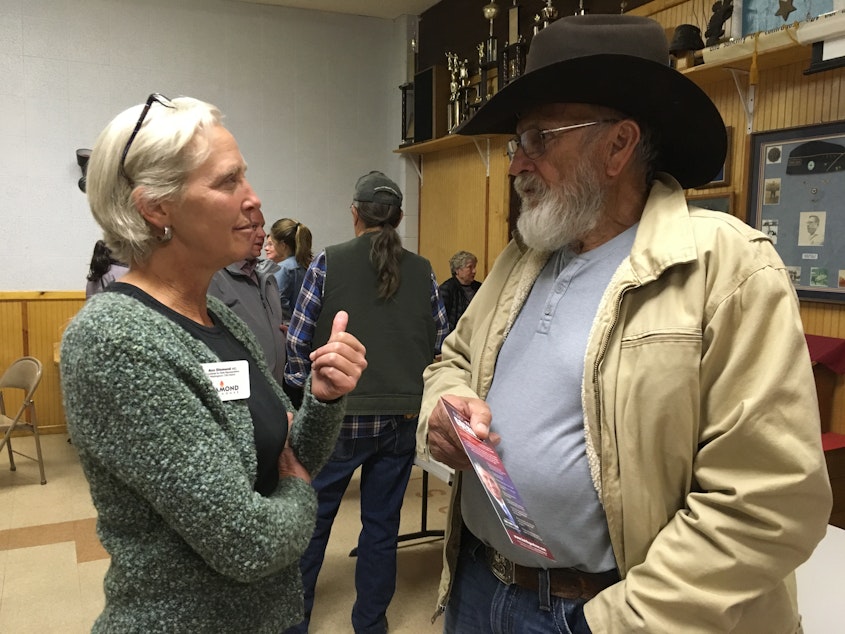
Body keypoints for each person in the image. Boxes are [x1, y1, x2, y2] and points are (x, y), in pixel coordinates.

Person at [419, 15, 832, 634]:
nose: (516, 165)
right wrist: (447, 405)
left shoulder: (727, 266)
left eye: (539, 138)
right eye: (517, 143)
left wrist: (610, 622)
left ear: (618, 147)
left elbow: (766, 502)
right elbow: (451, 360)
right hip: (482, 586)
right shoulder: (523, 258)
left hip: (609, 613)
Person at [59, 93, 367, 633]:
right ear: (157, 208)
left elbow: (288, 459)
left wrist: (322, 398)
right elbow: (247, 542)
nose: (254, 200)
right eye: (228, 182)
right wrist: (297, 492)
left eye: (245, 178)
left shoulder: (218, 317)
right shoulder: (116, 341)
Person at [284, 170, 449, 634]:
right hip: (400, 416)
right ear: (397, 218)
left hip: (338, 418)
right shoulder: (422, 269)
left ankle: (292, 624)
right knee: (381, 528)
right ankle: (370, 624)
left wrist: (310, 398)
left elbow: (298, 342)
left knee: (311, 525)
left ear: (354, 214)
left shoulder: (327, 262)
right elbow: (440, 335)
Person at [209, 208, 287, 386]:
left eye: (262, 226)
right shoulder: (214, 278)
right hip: (242, 396)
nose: (262, 234)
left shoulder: (268, 279)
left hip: (275, 391)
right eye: (253, 227)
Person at [266, 217, 313, 322]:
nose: (266, 248)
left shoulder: (284, 269)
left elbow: (276, 303)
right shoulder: (305, 265)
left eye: (272, 243)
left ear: (282, 245)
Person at [438, 250, 482, 331]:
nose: (474, 271)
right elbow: (441, 320)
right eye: (470, 267)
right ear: (457, 270)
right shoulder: (447, 289)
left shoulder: (480, 288)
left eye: (474, 267)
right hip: (454, 336)